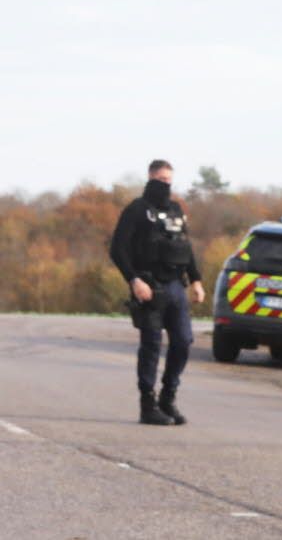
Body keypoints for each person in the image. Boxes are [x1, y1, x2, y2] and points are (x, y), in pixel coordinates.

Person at [109, 159, 204, 426]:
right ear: (150, 177)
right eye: (160, 180)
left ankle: (168, 397)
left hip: (175, 285)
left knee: (183, 341)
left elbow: (185, 248)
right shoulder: (137, 210)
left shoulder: (175, 210)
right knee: (151, 345)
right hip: (149, 286)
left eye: (168, 181)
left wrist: (196, 280)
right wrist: (134, 280)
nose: (164, 185)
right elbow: (117, 250)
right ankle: (147, 404)